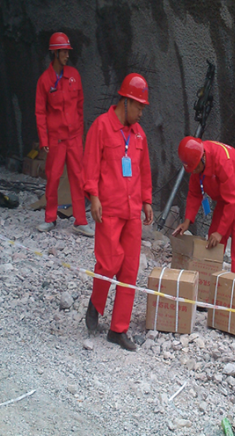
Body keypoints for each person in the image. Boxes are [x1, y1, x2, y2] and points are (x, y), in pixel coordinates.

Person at [83, 73, 154, 351]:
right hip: (109, 210)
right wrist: (94, 196)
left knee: (129, 269)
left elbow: (144, 170)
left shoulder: (139, 135)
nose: (141, 113)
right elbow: (90, 164)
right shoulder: (101, 127)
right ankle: (96, 303)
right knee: (108, 263)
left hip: (131, 212)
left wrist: (146, 200)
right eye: (139, 107)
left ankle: (118, 329)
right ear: (126, 102)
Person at [34, 32, 93, 236]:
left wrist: (79, 133)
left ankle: (81, 220)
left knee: (78, 177)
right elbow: (40, 112)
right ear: (55, 53)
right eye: (64, 52)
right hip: (56, 139)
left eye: (68, 51)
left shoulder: (74, 76)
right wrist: (44, 140)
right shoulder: (45, 81)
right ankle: (50, 218)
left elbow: (80, 105)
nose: (67, 55)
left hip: (74, 137)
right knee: (53, 178)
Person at [172, 137, 235, 276]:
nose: (194, 172)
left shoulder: (223, 161)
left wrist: (221, 232)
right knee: (214, 234)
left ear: (203, 157)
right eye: (192, 170)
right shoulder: (196, 164)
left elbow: (232, 201)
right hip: (225, 192)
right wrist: (187, 221)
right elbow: (194, 194)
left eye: (196, 168)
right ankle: (209, 276)